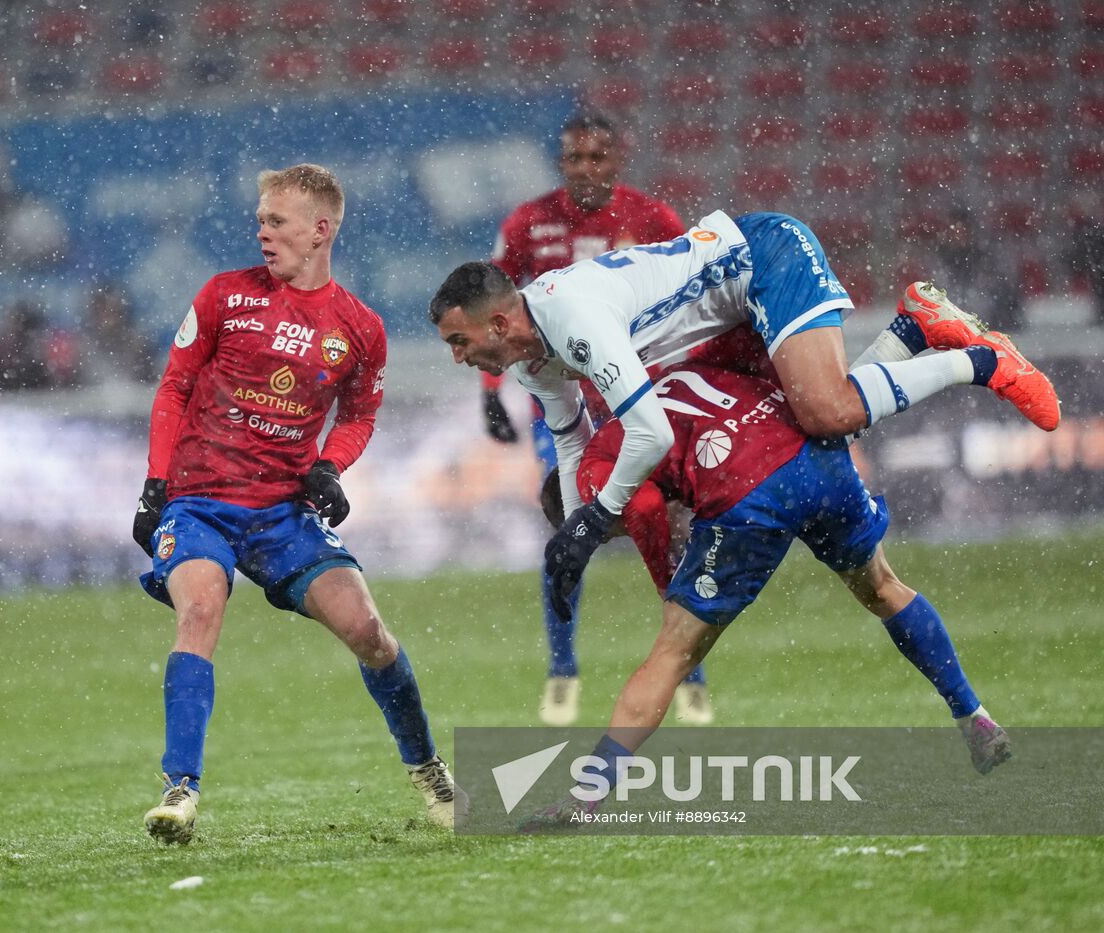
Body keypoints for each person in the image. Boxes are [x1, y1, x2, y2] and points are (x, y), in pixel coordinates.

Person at [430, 211, 1061, 632]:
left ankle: (977, 360)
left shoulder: (572, 319)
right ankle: (914, 327)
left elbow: (648, 432)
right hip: (721, 322)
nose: (459, 358)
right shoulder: (531, 358)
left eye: (459, 340)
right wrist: (574, 537)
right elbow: (572, 444)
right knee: (807, 436)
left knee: (827, 411)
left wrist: (593, 522)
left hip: (760, 260)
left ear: (498, 323)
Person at [522, 361, 1012, 826]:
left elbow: (646, 507)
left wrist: (665, 586)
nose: (618, 536)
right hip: (813, 453)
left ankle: (586, 796)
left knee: (670, 654)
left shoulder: (591, 480)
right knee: (883, 587)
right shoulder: (655, 382)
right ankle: (974, 716)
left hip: (748, 488)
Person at [133, 164, 461, 844]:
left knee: (369, 632)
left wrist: (329, 467)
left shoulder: (361, 328)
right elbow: (172, 390)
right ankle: (180, 789)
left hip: (283, 514)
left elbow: (360, 415)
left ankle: (429, 770)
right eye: (260, 220)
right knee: (199, 609)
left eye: (276, 221)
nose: (262, 232)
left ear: (320, 230)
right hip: (200, 504)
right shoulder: (224, 297)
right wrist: (155, 486)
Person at [482, 111, 700, 727]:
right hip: (562, 403)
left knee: (672, 524)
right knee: (566, 521)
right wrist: (489, 389)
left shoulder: (653, 220)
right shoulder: (527, 223)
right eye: (573, 158)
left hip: (634, 393)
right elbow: (489, 309)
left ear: (617, 160)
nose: (584, 170)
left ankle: (690, 665)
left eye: (596, 158)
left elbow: (683, 299)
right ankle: (562, 670)